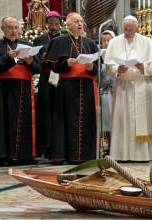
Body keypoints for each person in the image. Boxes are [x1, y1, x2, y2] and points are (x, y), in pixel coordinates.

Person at [0, 16, 42, 165]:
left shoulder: (27, 45)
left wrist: (30, 62)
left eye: (16, 27)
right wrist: (8, 58)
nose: (13, 30)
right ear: (3, 29)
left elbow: (38, 68)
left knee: (25, 122)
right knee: (4, 122)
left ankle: (24, 155)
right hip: (5, 89)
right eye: (10, 27)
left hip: (24, 89)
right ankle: (4, 156)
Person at [104, 16, 152, 161]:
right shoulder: (114, 42)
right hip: (123, 87)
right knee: (123, 121)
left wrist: (143, 67)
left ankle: (144, 155)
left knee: (143, 121)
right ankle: (122, 154)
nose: (127, 32)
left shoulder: (147, 42)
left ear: (136, 28)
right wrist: (118, 69)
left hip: (142, 85)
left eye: (130, 29)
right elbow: (108, 66)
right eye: (125, 29)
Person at [46, 13, 99, 164]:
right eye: (76, 22)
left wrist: (91, 67)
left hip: (87, 88)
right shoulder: (58, 41)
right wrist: (66, 64)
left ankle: (85, 155)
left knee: (86, 121)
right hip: (66, 89)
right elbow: (53, 65)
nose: (80, 24)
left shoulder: (90, 43)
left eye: (81, 21)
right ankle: (66, 155)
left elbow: (98, 68)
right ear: (68, 25)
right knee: (65, 121)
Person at [33, 10, 62, 158]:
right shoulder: (39, 40)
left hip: (60, 79)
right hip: (45, 80)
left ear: (60, 24)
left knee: (58, 111)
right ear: (47, 24)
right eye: (51, 24)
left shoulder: (64, 39)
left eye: (56, 24)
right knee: (45, 112)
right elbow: (36, 58)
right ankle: (45, 146)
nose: (53, 27)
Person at [99, 30, 115, 156]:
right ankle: (108, 146)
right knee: (107, 122)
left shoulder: (118, 53)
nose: (106, 43)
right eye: (103, 40)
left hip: (117, 90)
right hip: (105, 91)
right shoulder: (99, 55)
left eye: (108, 40)